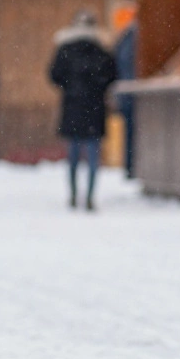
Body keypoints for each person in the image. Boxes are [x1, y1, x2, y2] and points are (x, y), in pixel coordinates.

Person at [49, 12, 117, 211]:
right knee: (93, 155)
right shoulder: (101, 50)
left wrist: (70, 87)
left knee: (73, 154)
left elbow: (54, 75)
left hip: (72, 107)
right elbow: (112, 75)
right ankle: (89, 195)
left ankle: (72, 193)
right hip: (95, 109)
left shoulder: (66, 49)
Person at [113, 14, 137, 179]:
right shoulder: (135, 38)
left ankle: (130, 165)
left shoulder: (125, 39)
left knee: (131, 131)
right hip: (132, 93)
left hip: (126, 93)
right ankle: (132, 165)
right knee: (133, 131)